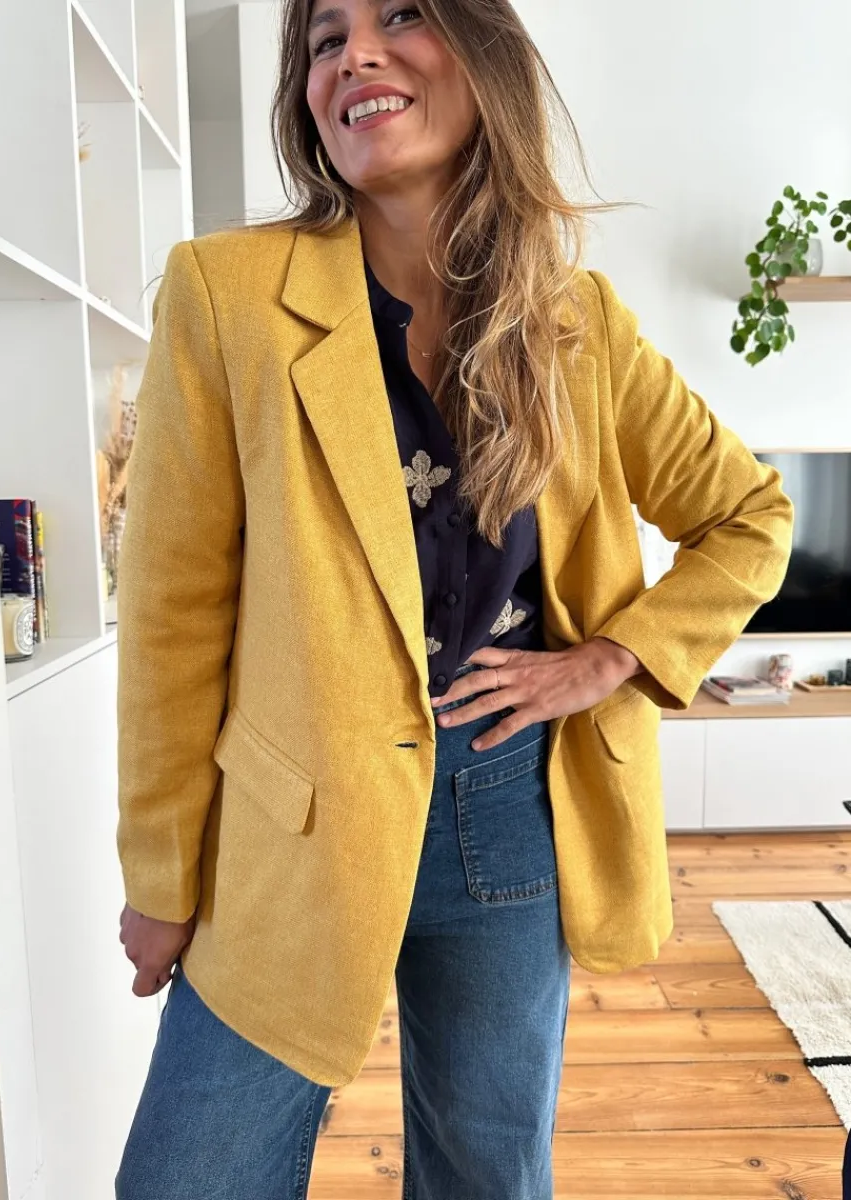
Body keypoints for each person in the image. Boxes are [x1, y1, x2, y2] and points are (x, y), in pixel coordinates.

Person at [113, 1, 794, 1197]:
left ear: (485, 60)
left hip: (507, 810)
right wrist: (160, 878)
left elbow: (750, 516)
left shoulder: (577, 322)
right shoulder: (225, 297)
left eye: (401, 16)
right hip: (293, 828)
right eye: (325, 39)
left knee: (488, 1176)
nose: (356, 55)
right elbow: (174, 619)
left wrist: (608, 659)